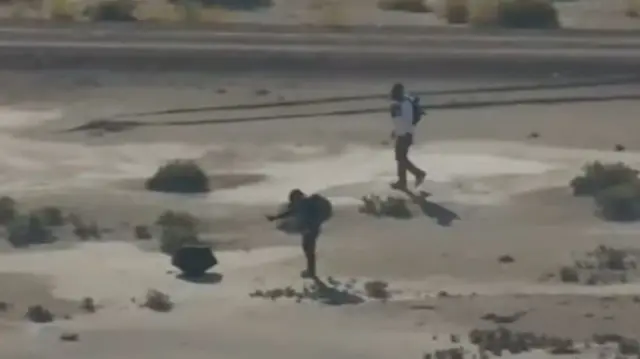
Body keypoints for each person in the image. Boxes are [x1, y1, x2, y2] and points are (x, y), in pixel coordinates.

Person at [266, 189, 332, 279]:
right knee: (308, 248)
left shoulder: (303, 204)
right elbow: (291, 212)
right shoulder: (305, 202)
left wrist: (275, 218)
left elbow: (291, 212)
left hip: (310, 229)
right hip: (313, 228)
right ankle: (311, 270)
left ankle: (311, 272)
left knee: (308, 249)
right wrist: (275, 217)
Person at [389, 82, 426, 190]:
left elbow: (402, 121)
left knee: (400, 158)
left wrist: (398, 132)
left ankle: (418, 174)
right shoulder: (406, 102)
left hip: (404, 134)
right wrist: (396, 131)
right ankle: (402, 182)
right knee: (401, 157)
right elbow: (403, 121)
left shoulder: (401, 104)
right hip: (406, 133)